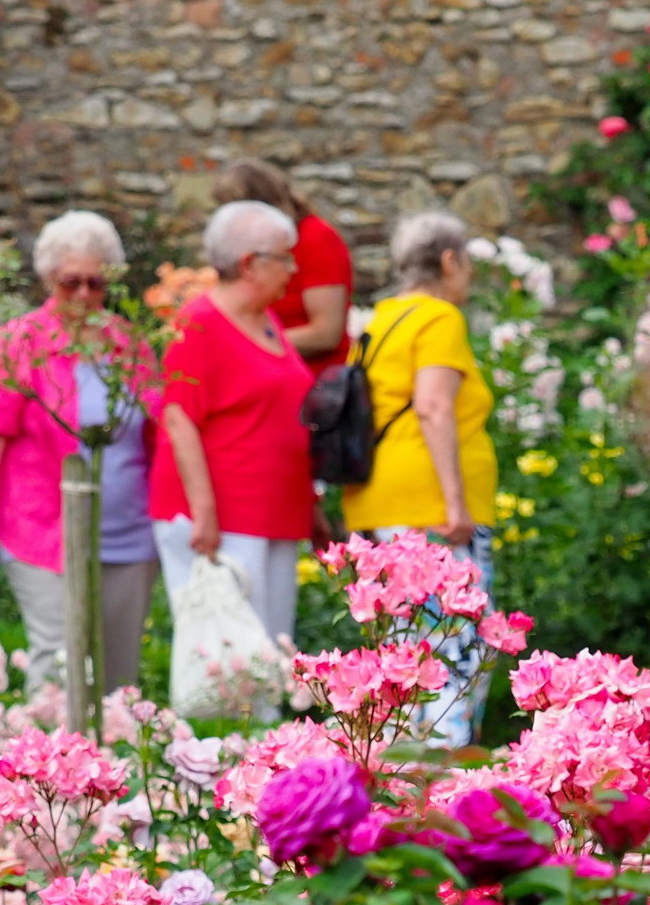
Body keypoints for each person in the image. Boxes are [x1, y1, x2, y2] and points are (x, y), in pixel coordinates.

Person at [0, 211, 160, 694]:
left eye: (96, 282)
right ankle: (45, 766)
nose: (85, 295)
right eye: (72, 283)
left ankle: (114, 763)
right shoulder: (18, 343)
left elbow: (159, 431)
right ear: (49, 278)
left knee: (117, 675)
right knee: (59, 663)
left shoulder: (128, 345)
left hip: (127, 534)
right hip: (42, 526)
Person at [342, 210, 498, 748]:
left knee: (405, 653)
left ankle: (405, 773)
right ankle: (445, 777)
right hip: (430, 509)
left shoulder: (382, 318)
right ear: (450, 260)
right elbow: (433, 407)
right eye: (468, 263)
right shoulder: (438, 318)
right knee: (453, 646)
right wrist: (455, 505)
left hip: (378, 505)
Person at [150, 199, 318, 697]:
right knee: (238, 668)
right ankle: (230, 764)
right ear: (249, 263)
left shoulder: (266, 321)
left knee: (269, 652)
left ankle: (267, 763)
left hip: (273, 513)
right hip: (224, 516)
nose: (294, 270)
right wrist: (204, 510)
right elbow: (179, 416)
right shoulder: (199, 321)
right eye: (284, 258)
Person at [211, 157, 354, 376]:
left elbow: (326, 333)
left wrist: (245, 344)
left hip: (315, 382)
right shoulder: (251, 246)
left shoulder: (316, 239)